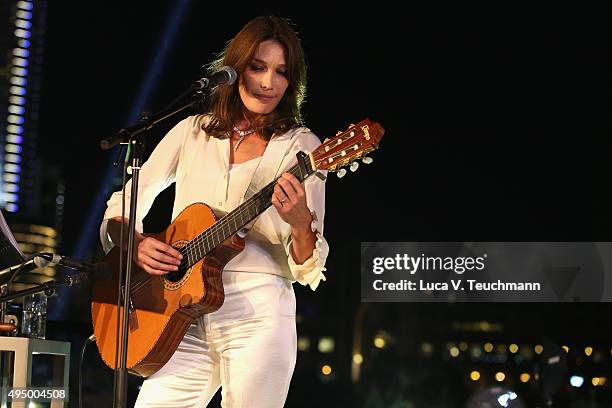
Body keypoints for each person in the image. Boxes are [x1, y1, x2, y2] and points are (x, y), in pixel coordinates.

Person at [100, 15, 329, 407]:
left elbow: (308, 263)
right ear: (234, 69)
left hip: (258, 315)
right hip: (183, 314)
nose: (268, 82)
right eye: (258, 67)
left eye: (281, 73)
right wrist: (137, 243)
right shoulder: (193, 130)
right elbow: (121, 207)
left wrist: (298, 221)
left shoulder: (303, 145)